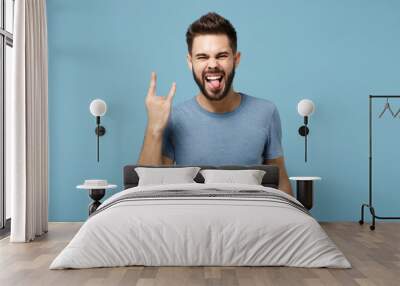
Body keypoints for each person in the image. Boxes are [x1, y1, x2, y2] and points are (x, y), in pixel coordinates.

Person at [138, 12, 292, 196]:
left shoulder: (266, 113)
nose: (212, 64)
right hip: (191, 222)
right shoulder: (174, 117)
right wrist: (154, 129)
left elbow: (281, 183)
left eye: (221, 55)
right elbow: (144, 193)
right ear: (190, 62)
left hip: (248, 222)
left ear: (236, 59)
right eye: (202, 57)